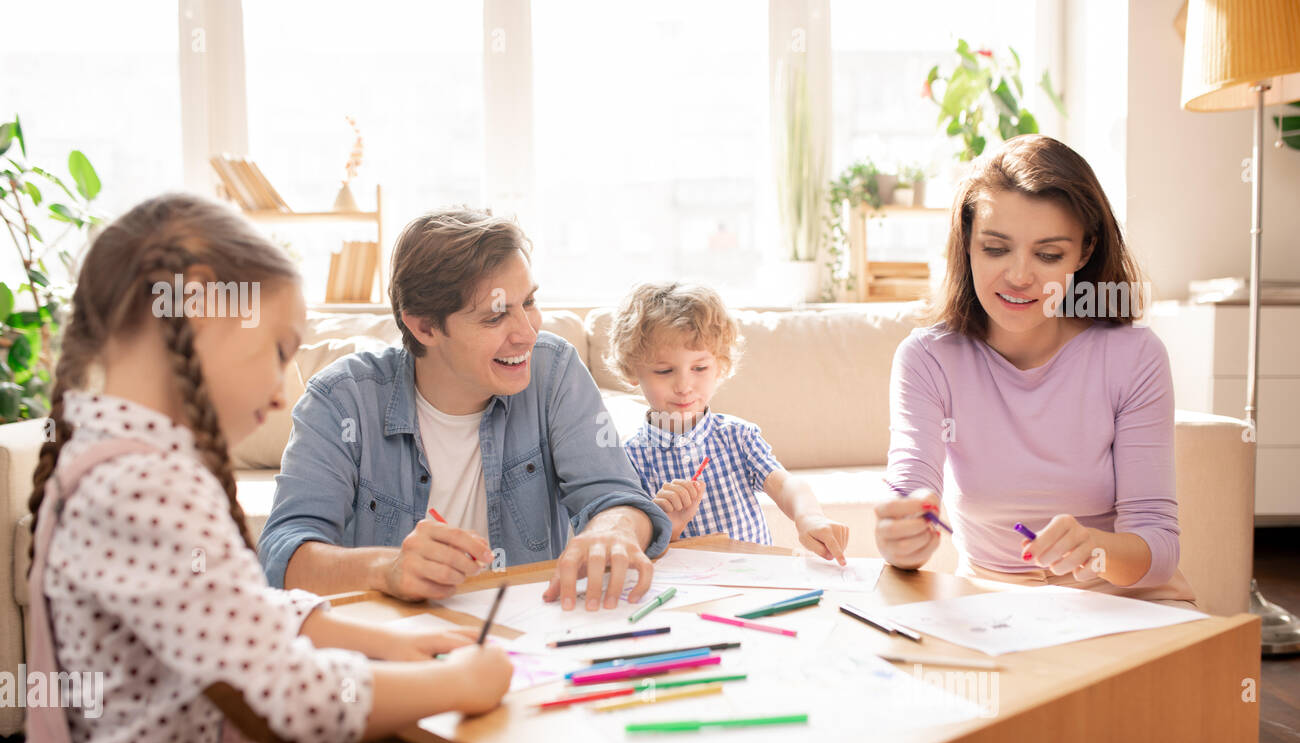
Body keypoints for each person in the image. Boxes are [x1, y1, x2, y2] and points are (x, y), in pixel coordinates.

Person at [19, 194, 512, 743]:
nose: (284, 392)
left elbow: (216, 611)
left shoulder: (108, 455)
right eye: (280, 350)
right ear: (199, 303)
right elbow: (286, 699)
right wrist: (463, 683)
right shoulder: (145, 483)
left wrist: (363, 635)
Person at [258, 209, 672, 612]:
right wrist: (388, 569)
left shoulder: (554, 370)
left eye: (528, 302)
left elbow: (618, 497)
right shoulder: (341, 399)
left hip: (528, 639)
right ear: (424, 327)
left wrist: (614, 528)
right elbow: (283, 556)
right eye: (495, 317)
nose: (527, 334)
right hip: (392, 649)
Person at [875, 135, 1197, 607]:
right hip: (993, 601)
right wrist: (900, 533)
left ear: (1085, 252)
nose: (1020, 276)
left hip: (1124, 599)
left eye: (1048, 255)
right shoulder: (928, 358)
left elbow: (1160, 547)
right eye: (995, 248)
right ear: (967, 243)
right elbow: (909, 487)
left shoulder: (1134, 357)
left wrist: (1098, 551)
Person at [607, 281, 849, 563]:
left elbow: (786, 486)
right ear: (631, 371)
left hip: (755, 582)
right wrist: (667, 528)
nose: (684, 385)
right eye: (664, 370)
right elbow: (634, 548)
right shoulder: (629, 460)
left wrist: (810, 518)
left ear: (720, 365)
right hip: (685, 591)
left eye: (699, 368)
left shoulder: (738, 436)